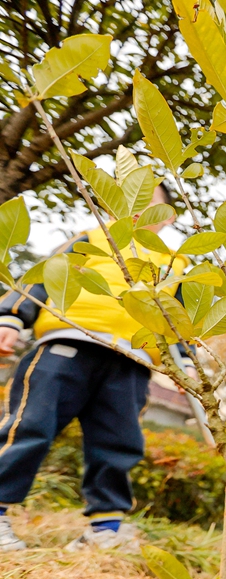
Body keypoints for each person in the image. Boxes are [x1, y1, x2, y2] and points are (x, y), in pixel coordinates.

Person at [0, 184, 182, 553]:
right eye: (129, 200)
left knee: (119, 442)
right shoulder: (92, 238)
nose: (137, 210)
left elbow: (179, 323)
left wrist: (187, 366)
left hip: (131, 362)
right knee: (30, 426)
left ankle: (105, 530)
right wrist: (11, 316)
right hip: (68, 344)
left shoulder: (176, 264)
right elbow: (42, 277)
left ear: (168, 218)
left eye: (149, 204)